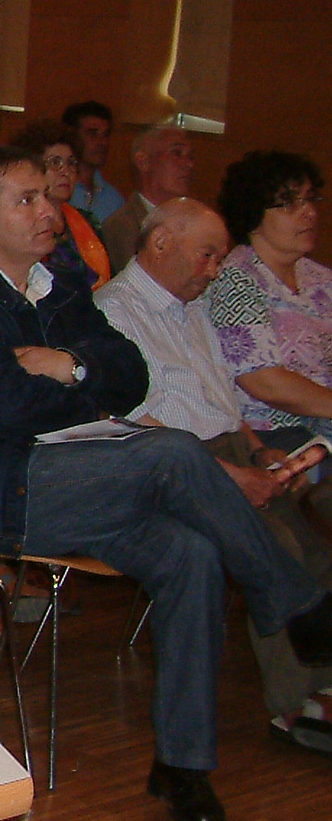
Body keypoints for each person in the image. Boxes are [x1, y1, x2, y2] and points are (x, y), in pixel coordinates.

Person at [0, 146, 332, 821]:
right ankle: (293, 601)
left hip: (80, 476)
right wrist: (83, 388)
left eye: (48, 196)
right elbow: (8, 410)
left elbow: (130, 375)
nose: (48, 211)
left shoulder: (58, 282)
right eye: (26, 200)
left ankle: (184, 767)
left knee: (192, 553)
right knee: (172, 452)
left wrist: (68, 366)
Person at [98, 198, 332, 755]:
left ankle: (325, 686)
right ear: (161, 244)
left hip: (226, 451)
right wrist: (229, 475)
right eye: (207, 255)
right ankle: (295, 706)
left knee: (319, 544)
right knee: (276, 545)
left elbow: (222, 401)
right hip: (169, 466)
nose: (215, 270)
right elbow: (134, 426)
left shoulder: (193, 307)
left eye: (220, 258)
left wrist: (258, 451)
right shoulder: (112, 312)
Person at [207, 150, 332, 449]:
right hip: (273, 435)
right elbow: (263, 381)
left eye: (309, 200)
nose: (309, 213)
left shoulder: (320, 279)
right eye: (289, 204)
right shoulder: (236, 279)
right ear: (253, 215)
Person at [11, 120, 110, 286]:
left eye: (71, 163)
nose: (65, 172)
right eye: (55, 163)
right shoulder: (25, 225)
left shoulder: (88, 221)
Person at [100, 124, 195, 274]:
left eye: (190, 156)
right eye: (176, 153)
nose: (189, 164)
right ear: (143, 162)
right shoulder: (120, 228)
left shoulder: (194, 223)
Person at [62, 100, 123, 222]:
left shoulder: (113, 199)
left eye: (106, 134)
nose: (102, 142)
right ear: (72, 136)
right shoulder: (59, 190)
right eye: (92, 134)